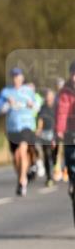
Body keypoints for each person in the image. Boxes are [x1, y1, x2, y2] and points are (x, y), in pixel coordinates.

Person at [0, 67, 39, 196]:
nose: (16, 79)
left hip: (26, 125)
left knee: (22, 151)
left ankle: (22, 181)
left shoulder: (28, 91)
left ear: (22, 78)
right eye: (14, 77)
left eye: (18, 76)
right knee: (16, 157)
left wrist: (32, 105)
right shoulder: (6, 92)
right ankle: (22, 175)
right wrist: (7, 104)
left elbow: (37, 104)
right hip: (12, 128)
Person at [55, 62, 75, 224]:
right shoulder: (65, 92)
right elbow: (62, 112)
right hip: (71, 131)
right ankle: (73, 182)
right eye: (73, 74)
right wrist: (60, 130)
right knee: (71, 157)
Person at [38, 88, 59, 187]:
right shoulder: (43, 107)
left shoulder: (57, 107)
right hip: (45, 133)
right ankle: (49, 177)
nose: (48, 98)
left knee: (54, 154)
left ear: (53, 97)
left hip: (56, 133)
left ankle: (55, 168)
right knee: (46, 154)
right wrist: (39, 129)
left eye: (50, 96)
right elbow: (40, 119)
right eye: (47, 96)